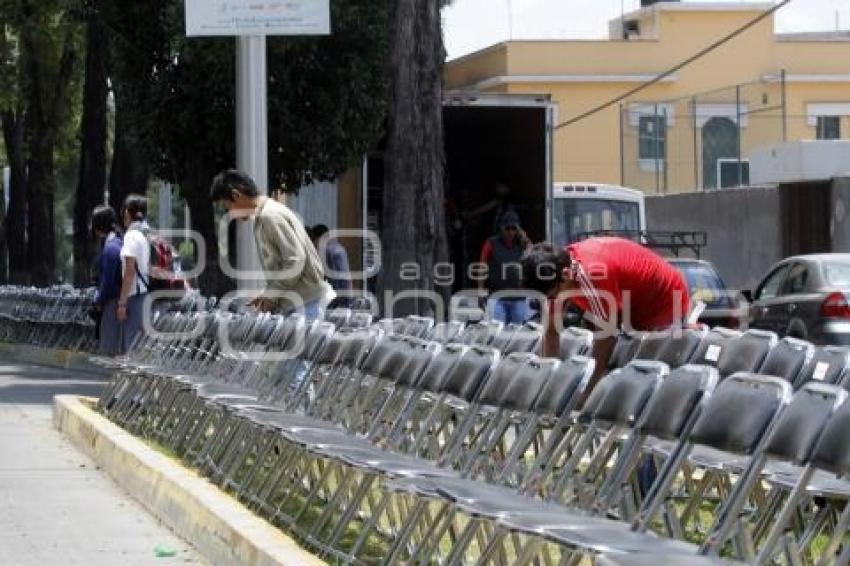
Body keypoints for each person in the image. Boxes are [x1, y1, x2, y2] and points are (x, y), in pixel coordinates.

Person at [521, 237, 690, 394]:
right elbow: (551, 332)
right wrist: (548, 388)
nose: (550, 301)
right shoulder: (554, 275)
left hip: (664, 298)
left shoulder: (593, 275)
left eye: (551, 296)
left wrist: (586, 394)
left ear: (566, 275)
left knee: (646, 378)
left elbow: (606, 338)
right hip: (631, 301)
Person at [210, 169, 333, 320]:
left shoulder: (270, 216)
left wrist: (271, 295)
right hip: (302, 303)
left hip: (305, 305)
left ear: (237, 195)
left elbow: (295, 261)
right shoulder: (265, 215)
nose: (230, 213)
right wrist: (266, 294)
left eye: (228, 207)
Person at [479, 210, 532, 324]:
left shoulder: (522, 244)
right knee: (497, 334)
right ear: (501, 228)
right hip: (497, 297)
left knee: (518, 335)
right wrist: (481, 291)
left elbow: (533, 257)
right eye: (507, 228)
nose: (510, 232)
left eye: (514, 228)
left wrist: (525, 239)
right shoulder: (491, 243)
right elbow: (482, 267)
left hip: (519, 299)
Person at [116, 194, 152, 353]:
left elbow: (129, 271)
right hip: (144, 294)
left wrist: (122, 303)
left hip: (134, 296)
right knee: (141, 346)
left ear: (127, 213)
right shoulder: (145, 234)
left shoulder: (131, 236)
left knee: (131, 347)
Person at [91, 205, 124, 356]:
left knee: (109, 347)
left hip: (112, 302)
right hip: (123, 299)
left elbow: (107, 281)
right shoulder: (120, 241)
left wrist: (99, 301)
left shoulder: (110, 248)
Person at [311, 224, 353, 307]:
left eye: (314, 240)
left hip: (336, 295)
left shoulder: (327, 251)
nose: (313, 244)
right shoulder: (338, 247)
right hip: (344, 292)